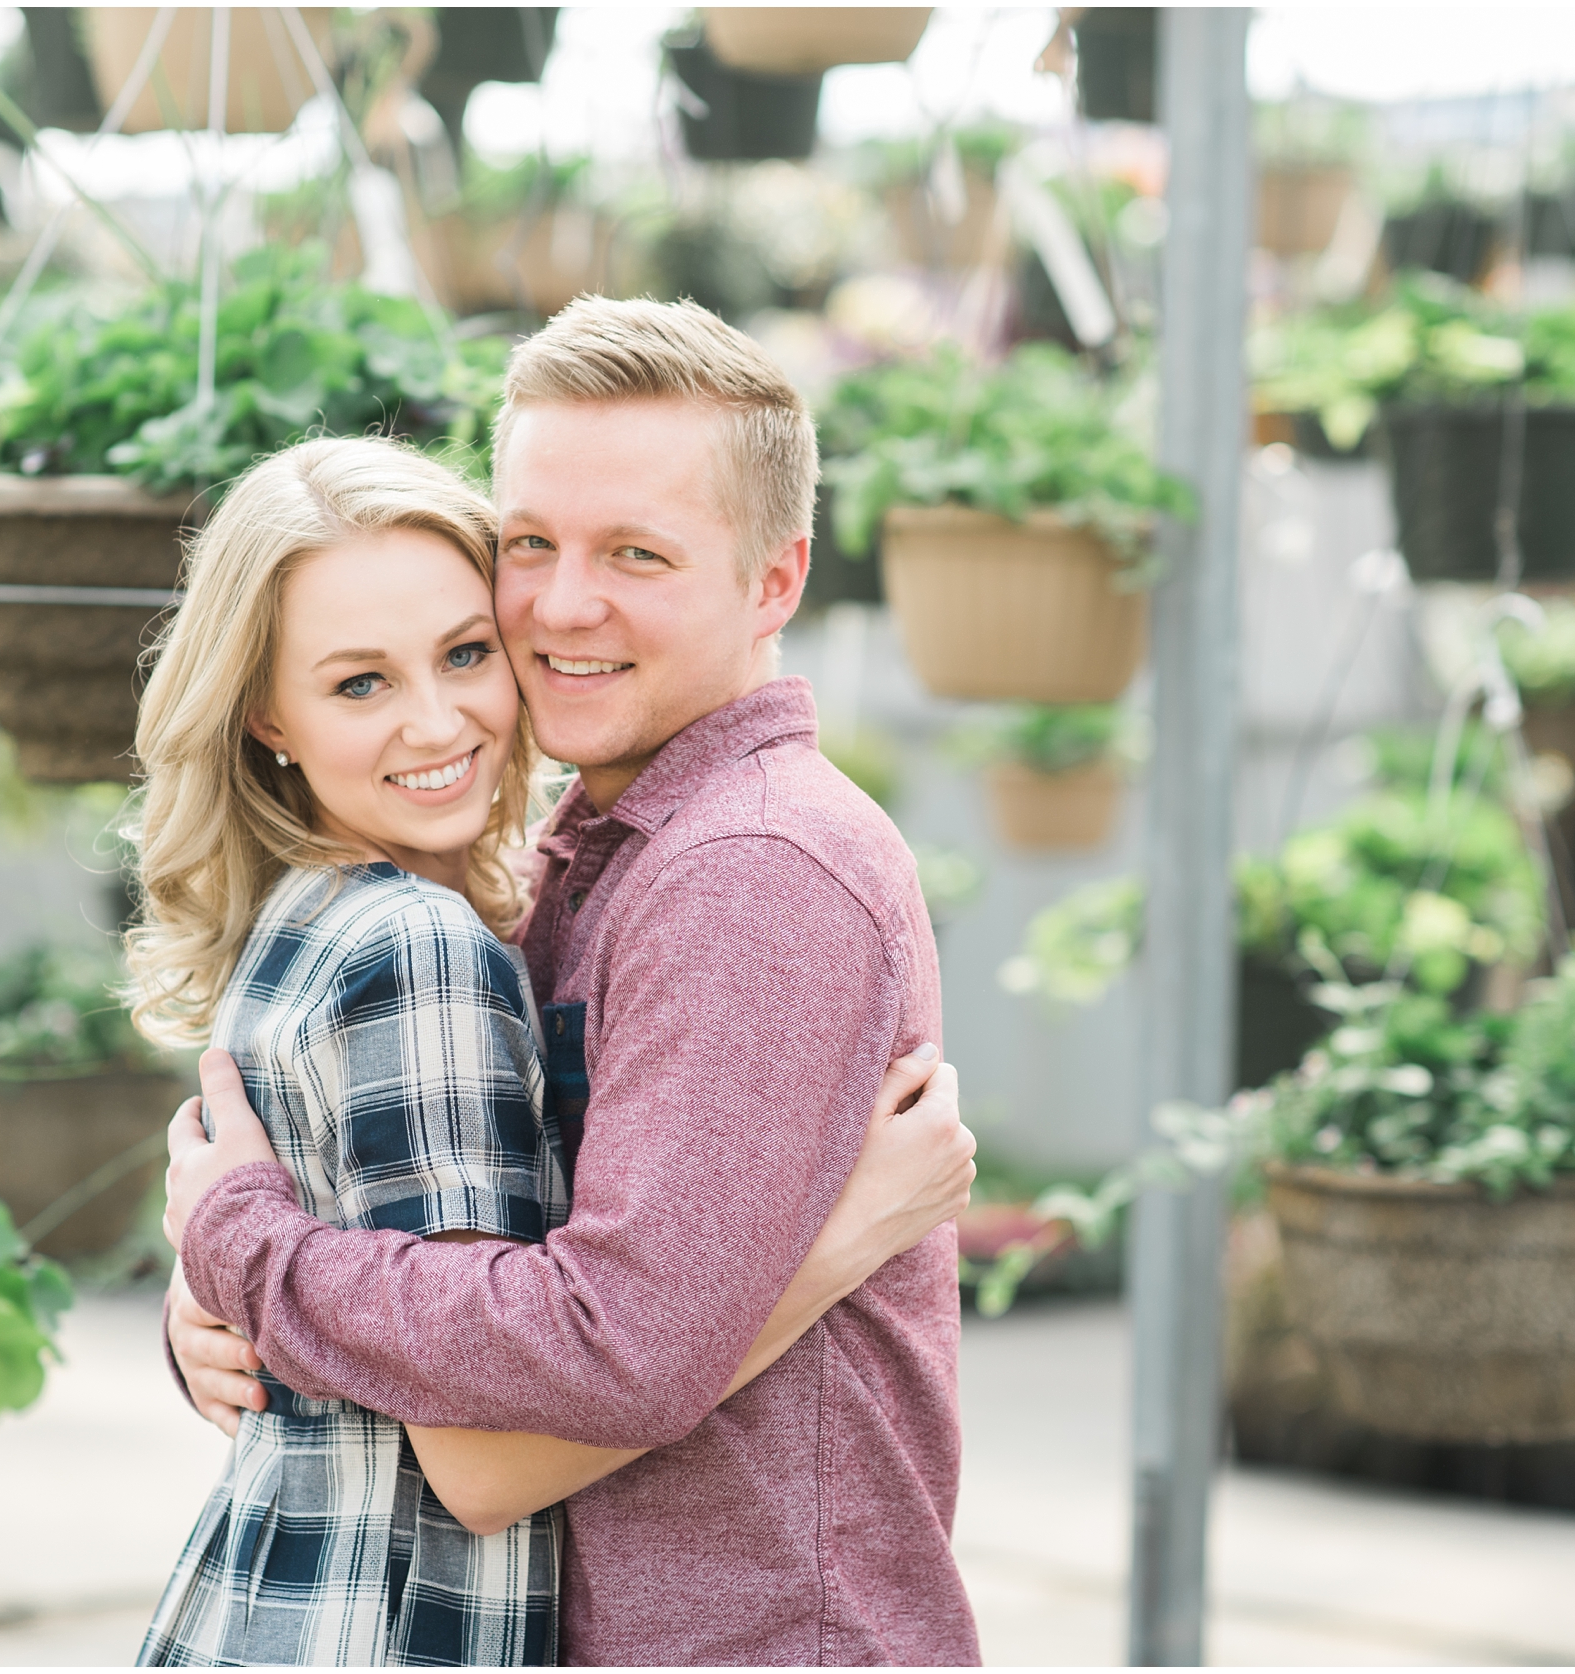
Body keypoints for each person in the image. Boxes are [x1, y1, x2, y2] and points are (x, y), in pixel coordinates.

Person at [165, 298, 985, 1665]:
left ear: (775, 583)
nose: (560, 602)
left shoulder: (753, 868)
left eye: (638, 554)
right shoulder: (584, 851)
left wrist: (254, 1254)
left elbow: (615, 1354)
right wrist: (225, 1282)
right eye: (530, 543)